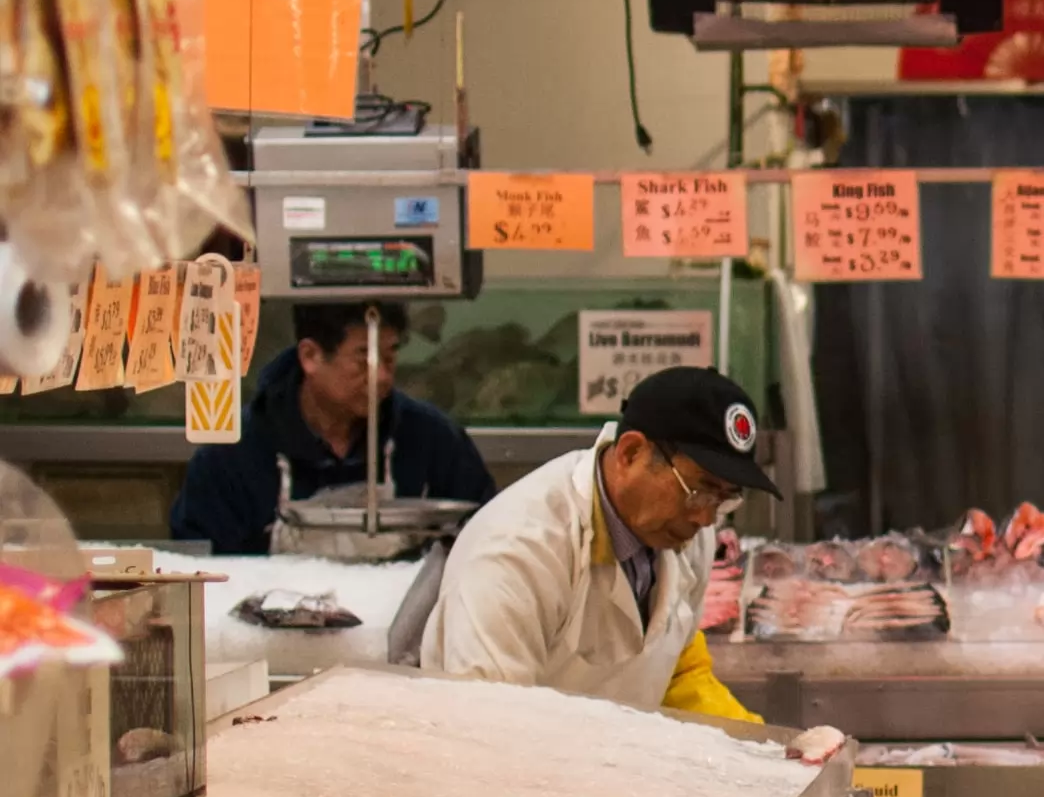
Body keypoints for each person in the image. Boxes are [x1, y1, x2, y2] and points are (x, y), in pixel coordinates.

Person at [421, 363, 767, 720]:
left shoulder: (686, 532)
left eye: (725, 498)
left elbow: (677, 672)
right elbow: (488, 726)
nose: (706, 518)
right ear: (630, 453)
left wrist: (762, 748)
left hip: (613, 766)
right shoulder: (517, 553)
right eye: (699, 490)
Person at [167, 297, 494, 552]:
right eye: (363, 358)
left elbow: (486, 538)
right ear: (310, 356)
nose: (382, 376)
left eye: (390, 357)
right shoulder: (232, 454)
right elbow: (202, 572)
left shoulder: (433, 439)